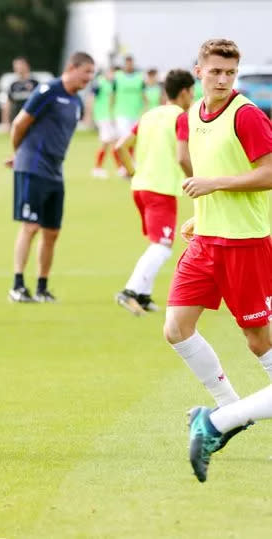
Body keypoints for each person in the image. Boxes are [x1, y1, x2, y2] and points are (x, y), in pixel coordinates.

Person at [160, 39, 272, 483]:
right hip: (207, 241)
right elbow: (202, 176)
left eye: (230, 72)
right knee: (176, 328)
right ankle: (229, 410)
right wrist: (199, 213)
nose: (223, 80)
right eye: (216, 72)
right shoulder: (190, 116)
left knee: (257, 339)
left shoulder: (247, 115)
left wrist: (214, 186)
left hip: (245, 245)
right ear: (198, 72)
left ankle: (226, 417)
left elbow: (268, 172)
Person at [6, 52, 95, 303]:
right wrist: (19, 154)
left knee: (52, 232)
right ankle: (18, 286)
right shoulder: (48, 91)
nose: (89, 77)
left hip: (55, 171)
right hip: (33, 166)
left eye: (92, 73)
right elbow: (19, 124)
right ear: (71, 67)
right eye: (86, 71)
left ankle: (42, 287)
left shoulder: (76, 101)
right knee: (30, 226)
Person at [113, 69, 195, 315]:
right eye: (191, 92)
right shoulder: (181, 117)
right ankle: (129, 291)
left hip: (140, 187)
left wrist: (132, 172)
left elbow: (120, 146)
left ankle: (144, 296)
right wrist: (197, 180)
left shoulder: (149, 115)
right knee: (162, 245)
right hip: (160, 189)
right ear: (184, 92)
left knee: (156, 241)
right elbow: (182, 156)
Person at [111, 55, 146, 176]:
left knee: (134, 141)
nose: (129, 65)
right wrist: (111, 113)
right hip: (121, 113)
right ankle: (124, 166)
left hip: (135, 113)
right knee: (124, 139)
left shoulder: (139, 77)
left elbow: (143, 95)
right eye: (127, 63)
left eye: (131, 63)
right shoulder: (118, 77)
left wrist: (144, 110)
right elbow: (113, 96)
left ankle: (130, 166)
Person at [90, 65, 117, 178]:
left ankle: (99, 167)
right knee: (110, 141)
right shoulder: (99, 83)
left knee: (109, 142)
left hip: (109, 116)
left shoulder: (113, 84)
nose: (112, 75)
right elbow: (92, 99)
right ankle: (99, 168)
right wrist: (91, 115)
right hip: (102, 116)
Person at [1, 56, 39, 133]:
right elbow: (7, 104)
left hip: (33, 121)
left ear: (27, 66)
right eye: (15, 66)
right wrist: (5, 122)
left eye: (20, 65)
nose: (17, 68)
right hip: (17, 121)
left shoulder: (35, 83)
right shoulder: (13, 85)